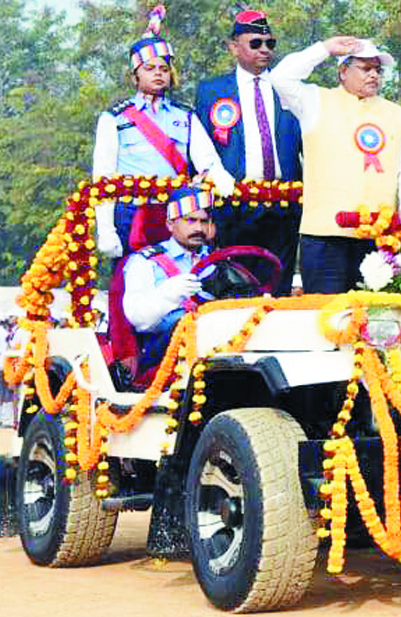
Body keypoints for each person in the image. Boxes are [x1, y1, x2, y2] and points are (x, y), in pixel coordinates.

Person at [272, 36, 401, 293]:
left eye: (378, 69)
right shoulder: (315, 101)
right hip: (324, 234)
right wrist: (325, 48)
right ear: (343, 72)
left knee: (375, 320)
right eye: (365, 68)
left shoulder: (397, 114)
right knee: (326, 317)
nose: (374, 75)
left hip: (378, 233)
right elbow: (280, 77)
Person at [92, 5, 234, 260]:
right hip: (131, 214)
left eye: (164, 68)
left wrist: (220, 176)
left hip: (178, 212)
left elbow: (207, 160)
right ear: (135, 76)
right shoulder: (114, 118)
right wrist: (105, 229)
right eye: (150, 68)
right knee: (129, 283)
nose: (158, 73)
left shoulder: (186, 116)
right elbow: (103, 178)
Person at [195, 9, 304, 284]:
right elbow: (199, 150)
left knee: (278, 287)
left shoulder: (290, 88)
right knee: (235, 287)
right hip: (233, 205)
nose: (265, 49)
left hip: (284, 204)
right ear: (234, 47)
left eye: (270, 43)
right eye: (255, 43)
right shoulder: (211, 91)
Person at [121, 187, 218, 374]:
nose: (198, 228)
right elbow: (137, 318)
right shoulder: (145, 262)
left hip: (220, 344)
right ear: (170, 224)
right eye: (190, 220)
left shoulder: (218, 261)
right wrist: (167, 296)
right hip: (164, 354)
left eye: (204, 221)